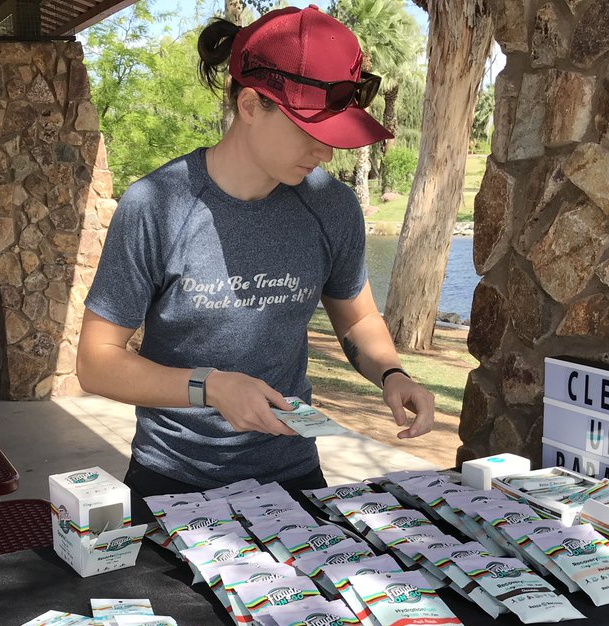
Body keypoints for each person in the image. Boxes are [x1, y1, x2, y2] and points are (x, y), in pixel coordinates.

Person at [77, 4, 436, 519]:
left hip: (294, 476)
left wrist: (392, 374)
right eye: (310, 130)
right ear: (250, 104)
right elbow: (96, 361)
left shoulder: (330, 205)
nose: (326, 153)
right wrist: (210, 387)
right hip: (172, 479)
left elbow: (357, 317)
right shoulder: (158, 204)